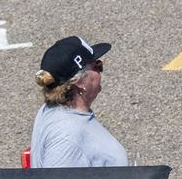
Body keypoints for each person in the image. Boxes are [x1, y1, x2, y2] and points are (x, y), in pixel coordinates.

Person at [31, 36, 128, 168]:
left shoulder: (49, 109)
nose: (100, 72)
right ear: (80, 82)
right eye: (97, 66)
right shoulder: (68, 136)